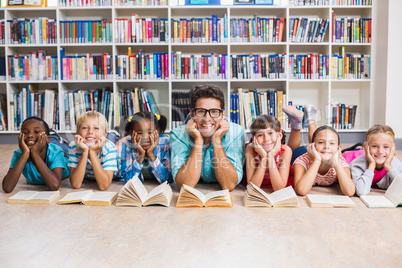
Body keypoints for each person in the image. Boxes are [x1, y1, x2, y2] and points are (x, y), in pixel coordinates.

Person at [170, 85, 245, 191]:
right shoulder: (178, 135)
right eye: (201, 111)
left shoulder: (237, 133)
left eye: (214, 112)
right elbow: (185, 185)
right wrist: (198, 141)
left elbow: (228, 185)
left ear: (222, 115)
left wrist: (217, 140)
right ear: (192, 114)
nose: (207, 119)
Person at [244, 104, 318, 191]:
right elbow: (252, 188)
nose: (266, 139)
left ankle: (310, 120)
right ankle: (296, 123)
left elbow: (279, 188)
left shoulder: (286, 150)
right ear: (254, 139)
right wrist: (264, 158)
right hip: (285, 155)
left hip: (297, 156)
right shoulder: (250, 148)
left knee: (315, 148)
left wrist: (270, 157)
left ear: (279, 135)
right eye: (260, 135)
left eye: (270, 133)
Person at [2, 117, 70, 193]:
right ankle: (51, 136)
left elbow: (54, 186)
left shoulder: (56, 152)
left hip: (64, 153)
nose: (30, 135)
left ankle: (55, 137)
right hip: (43, 143)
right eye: (25, 132)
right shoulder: (19, 154)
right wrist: (25, 154)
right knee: (42, 142)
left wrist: (35, 154)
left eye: (36, 131)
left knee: (62, 146)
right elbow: (7, 187)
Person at [293, 125, 355, 196]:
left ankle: (311, 120)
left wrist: (336, 164)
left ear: (338, 148)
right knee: (293, 150)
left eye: (332, 143)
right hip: (300, 152)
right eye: (321, 142)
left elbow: (350, 192)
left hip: (323, 153)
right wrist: (317, 161)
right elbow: (301, 190)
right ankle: (297, 125)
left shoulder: (340, 161)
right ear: (312, 145)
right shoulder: (302, 160)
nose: (326, 147)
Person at [68, 111, 118, 191]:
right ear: (77, 133)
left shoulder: (110, 148)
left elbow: (104, 186)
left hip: (114, 175)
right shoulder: (74, 146)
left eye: (96, 128)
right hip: (89, 176)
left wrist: (92, 152)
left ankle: (115, 135)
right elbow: (75, 184)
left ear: (105, 134)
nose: (90, 131)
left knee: (114, 138)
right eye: (85, 128)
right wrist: (85, 151)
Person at [117, 111, 172, 184]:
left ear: (157, 132)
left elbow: (168, 180)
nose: (145, 137)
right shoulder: (126, 144)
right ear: (131, 133)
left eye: (150, 132)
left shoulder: (166, 144)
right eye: (140, 133)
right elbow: (129, 180)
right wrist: (141, 155)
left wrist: (151, 154)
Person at [350, 124, 402, 196]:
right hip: (352, 157)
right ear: (366, 146)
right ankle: (357, 149)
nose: (380, 151)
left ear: (393, 148)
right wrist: (371, 165)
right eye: (374, 146)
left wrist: (388, 167)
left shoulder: (396, 164)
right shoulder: (357, 164)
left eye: (386, 147)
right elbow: (361, 191)